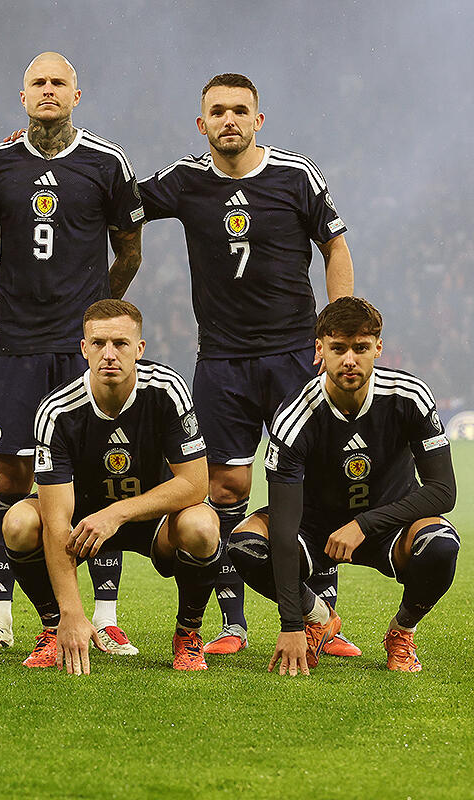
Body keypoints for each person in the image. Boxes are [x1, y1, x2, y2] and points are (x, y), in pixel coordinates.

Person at [138, 73, 358, 656]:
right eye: (217, 111)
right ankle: (232, 623)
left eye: (240, 110)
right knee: (224, 485)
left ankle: (323, 617)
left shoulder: (295, 174)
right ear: (201, 123)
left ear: (258, 120)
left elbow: (335, 246)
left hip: (294, 354)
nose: (229, 119)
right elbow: (115, 202)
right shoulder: (185, 180)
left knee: (308, 481)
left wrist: (334, 331)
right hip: (222, 360)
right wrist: (44, 153)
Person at [0, 52, 145, 656]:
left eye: (58, 83)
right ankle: (2, 617)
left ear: (76, 94)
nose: (48, 90)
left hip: (81, 349)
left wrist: (96, 315)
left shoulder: (106, 163)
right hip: (18, 345)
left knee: (98, 477)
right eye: (37, 83)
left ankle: (106, 617)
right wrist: (19, 302)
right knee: (11, 477)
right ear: (23, 96)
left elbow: (129, 251)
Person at [229, 297, 459, 675]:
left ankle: (402, 631)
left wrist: (364, 524)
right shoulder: (295, 416)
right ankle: (318, 617)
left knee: (441, 544)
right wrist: (291, 623)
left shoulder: (409, 397)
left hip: (389, 526)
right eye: (338, 348)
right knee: (246, 546)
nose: (349, 360)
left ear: (378, 348)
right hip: (315, 530)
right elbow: (284, 528)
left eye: (360, 348)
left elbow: (443, 491)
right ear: (320, 349)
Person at [5, 299, 221, 674]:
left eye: (120, 343)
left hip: (151, 519)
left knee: (202, 526)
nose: (109, 354)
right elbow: (56, 523)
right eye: (99, 343)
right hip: (82, 524)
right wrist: (72, 612)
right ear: (84, 348)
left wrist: (116, 513)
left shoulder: (167, 390)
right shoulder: (57, 411)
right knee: (18, 523)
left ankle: (188, 633)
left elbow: (195, 483)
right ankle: (54, 628)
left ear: (139, 349)